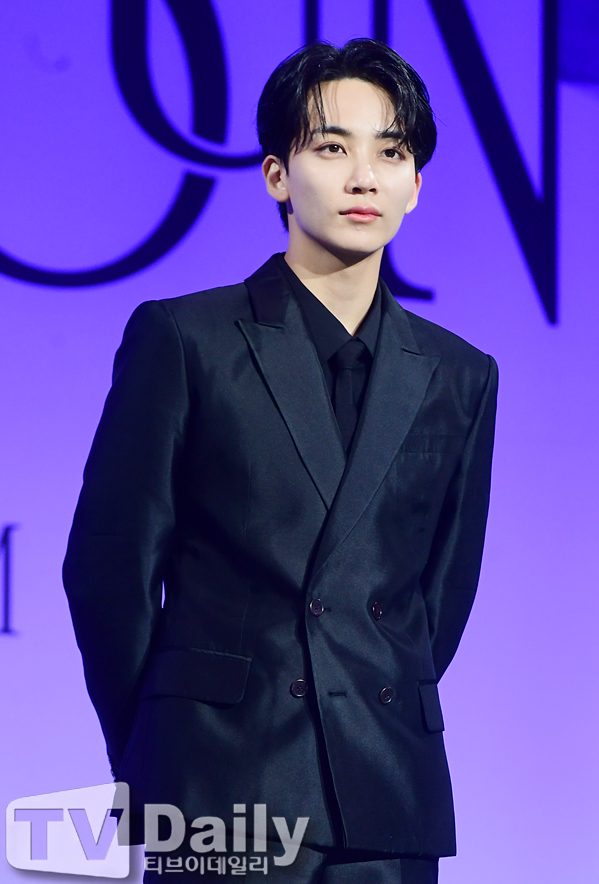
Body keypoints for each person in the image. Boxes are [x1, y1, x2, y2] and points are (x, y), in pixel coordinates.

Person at [63, 38, 497, 883]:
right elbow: (110, 572)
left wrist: (365, 694)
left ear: (416, 184)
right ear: (276, 175)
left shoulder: (460, 373)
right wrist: (160, 748)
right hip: (220, 781)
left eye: (391, 152)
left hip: (388, 791)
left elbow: (440, 596)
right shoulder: (186, 339)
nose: (364, 177)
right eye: (332, 148)